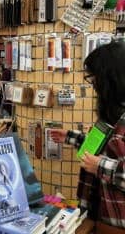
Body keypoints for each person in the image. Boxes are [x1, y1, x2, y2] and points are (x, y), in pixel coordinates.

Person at [50, 42, 125, 232]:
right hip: (100, 215)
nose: (93, 86)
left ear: (110, 77)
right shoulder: (114, 110)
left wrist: (99, 166)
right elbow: (106, 148)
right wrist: (71, 137)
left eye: (94, 78)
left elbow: (105, 161)